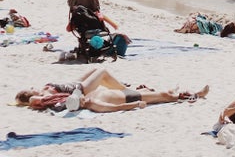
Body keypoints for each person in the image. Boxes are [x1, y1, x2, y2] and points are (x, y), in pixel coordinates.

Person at [16, 67, 209, 113]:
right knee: (164, 96)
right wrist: (132, 105)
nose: (34, 87)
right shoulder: (44, 97)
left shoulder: (47, 91)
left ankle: (180, 92)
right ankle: (193, 95)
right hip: (86, 90)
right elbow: (99, 106)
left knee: (162, 95)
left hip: (83, 88)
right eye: (31, 89)